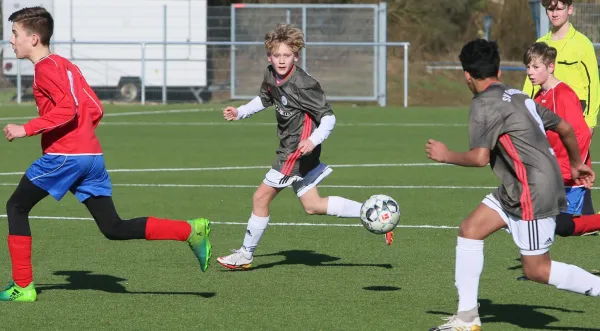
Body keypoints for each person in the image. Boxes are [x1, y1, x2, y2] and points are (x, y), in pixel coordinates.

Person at [1, 7, 211, 302]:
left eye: (15, 34)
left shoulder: (44, 69)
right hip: (91, 156)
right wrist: (84, 136)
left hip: (65, 156)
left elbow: (68, 109)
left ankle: (22, 287)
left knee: (16, 207)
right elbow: (95, 107)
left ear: (34, 38)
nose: (11, 41)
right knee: (112, 227)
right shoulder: (67, 65)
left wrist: (27, 129)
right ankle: (190, 230)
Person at [426, 39, 600, 331]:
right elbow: (565, 127)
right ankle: (467, 318)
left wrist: (446, 156)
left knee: (537, 269)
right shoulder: (517, 95)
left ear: (467, 75)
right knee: (470, 230)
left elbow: (480, 158)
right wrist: (575, 162)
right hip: (518, 187)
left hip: (532, 191)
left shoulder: (483, 104)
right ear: (498, 69)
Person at [216, 23, 392, 270]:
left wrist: (312, 140)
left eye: (286, 55)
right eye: (276, 55)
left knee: (260, 197)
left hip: (295, 152)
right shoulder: (270, 74)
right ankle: (373, 213)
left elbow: (329, 117)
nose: (281, 60)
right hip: (294, 149)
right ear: (269, 56)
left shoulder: (304, 84)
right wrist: (240, 111)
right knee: (313, 206)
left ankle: (246, 254)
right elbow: (265, 99)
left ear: (296, 56)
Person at [522, 0, 599, 215]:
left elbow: (594, 83)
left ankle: (584, 216)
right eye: (550, 9)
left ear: (570, 9)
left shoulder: (582, 43)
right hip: (546, 111)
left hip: (574, 113)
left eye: (559, 8)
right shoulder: (541, 43)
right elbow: (530, 84)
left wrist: (590, 121)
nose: (554, 13)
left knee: (576, 162)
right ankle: (555, 212)